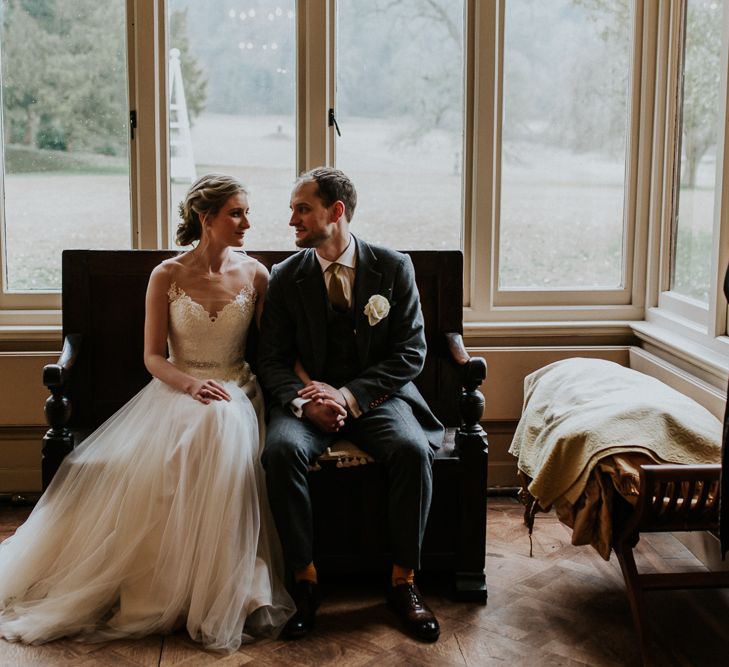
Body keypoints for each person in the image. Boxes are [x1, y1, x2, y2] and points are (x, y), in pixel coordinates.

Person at [0, 174, 293, 652]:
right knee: (205, 426)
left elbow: (275, 349)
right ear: (206, 218)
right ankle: (174, 586)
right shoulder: (168, 275)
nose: (247, 223)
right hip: (178, 389)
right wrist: (192, 384)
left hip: (237, 389)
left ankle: (224, 588)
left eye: (246, 212)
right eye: (236, 213)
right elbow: (153, 357)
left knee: (220, 423)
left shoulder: (257, 274)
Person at [258, 167, 444, 642]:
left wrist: (348, 396)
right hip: (306, 401)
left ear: (335, 211)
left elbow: (411, 352)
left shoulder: (393, 266)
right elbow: (272, 358)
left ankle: (404, 581)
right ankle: (306, 582)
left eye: (302, 208)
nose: (292, 220)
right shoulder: (286, 276)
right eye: (293, 209)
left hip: (376, 399)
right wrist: (305, 402)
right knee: (280, 453)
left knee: (412, 451)